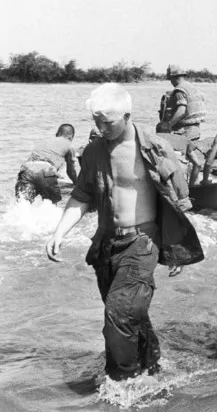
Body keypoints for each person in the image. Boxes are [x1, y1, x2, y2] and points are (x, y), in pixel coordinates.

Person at [45, 83, 204, 381]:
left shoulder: (156, 148)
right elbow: (81, 195)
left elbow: (178, 200)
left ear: (127, 115)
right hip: (106, 244)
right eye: (96, 121)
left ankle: (123, 382)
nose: (101, 128)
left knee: (118, 314)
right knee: (129, 314)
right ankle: (152, 365)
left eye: (109, 122)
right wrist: (59, 232)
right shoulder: (92, 152)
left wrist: (178, 250)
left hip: (141, 242)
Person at [164, 64, 207, 186]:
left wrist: (169, 124)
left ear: (174, 78)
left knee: (181, 161)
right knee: (193, 161)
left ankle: (184, 188)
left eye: (170, 79)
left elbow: (182, 111)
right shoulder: (192, 88)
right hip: (195, 130)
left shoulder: (179, 90)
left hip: (184, 131)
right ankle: (193, 185)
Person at [15, 124, 80, 204]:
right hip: (46, 170)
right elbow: (71, 172)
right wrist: (77, 185)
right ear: (71, 137)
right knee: (51, 205)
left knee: (22, 204)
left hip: (26, 170)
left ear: (57, 134)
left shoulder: (45, 142)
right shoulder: (69, 146)